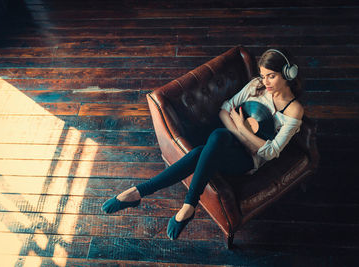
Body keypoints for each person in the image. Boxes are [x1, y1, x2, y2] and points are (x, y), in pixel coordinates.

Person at [101, 48, 305, 240]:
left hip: (246, 160)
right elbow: (225, 109)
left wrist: (242, 127)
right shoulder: (256, 86)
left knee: (208, 144)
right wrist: (242, 133)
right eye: (262, 75)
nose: (265, 81)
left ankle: (141, 192)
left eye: (272, 76)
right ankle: (184, 204)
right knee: (216, 137)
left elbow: (270, 152)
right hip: (230, 141)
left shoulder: (293, 111)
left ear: (288, 74)